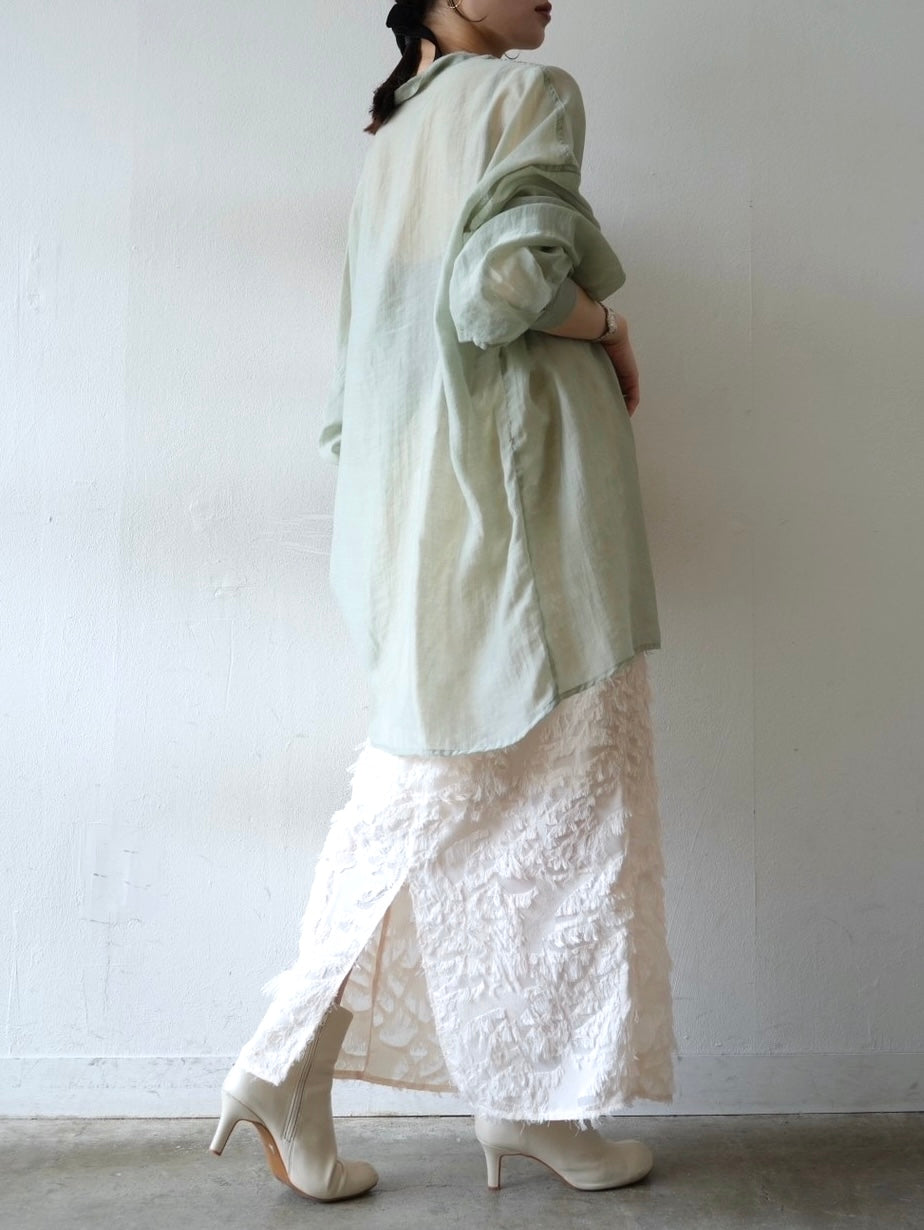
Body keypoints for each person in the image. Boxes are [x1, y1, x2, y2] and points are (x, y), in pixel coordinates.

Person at [209, 0, 677, 1203]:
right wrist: (610, 325)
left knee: (443, 797)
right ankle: (359, 1072)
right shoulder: (532, 93)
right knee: (554, 804)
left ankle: (474, 1093)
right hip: (533, 511)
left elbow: (361, 372)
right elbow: (497, 288)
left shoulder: (393, 139)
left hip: (419, 515)